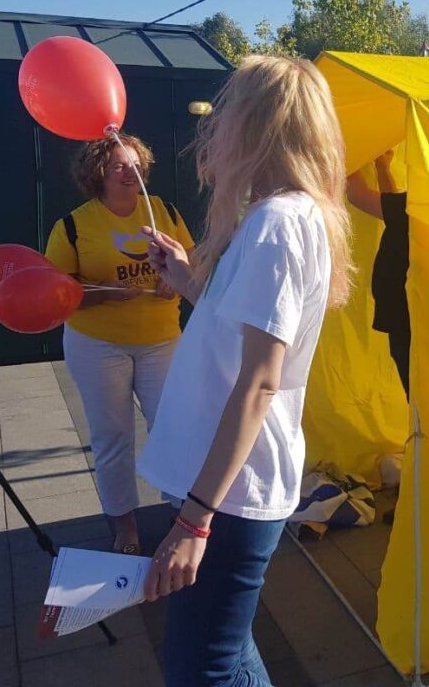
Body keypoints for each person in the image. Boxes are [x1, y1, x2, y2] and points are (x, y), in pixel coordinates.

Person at [136, 56, 353, 687]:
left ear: (257, 128)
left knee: (199, 667)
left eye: (230, 114)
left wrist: (193, 518)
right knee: (226, 654)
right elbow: (249, 335)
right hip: (233, 482)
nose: (218, 129)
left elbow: (260, 380)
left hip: (229, 490)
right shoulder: (292, 215)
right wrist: (187, 282)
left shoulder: (276, 224)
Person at [45, 134, 194, 555]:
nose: (131, 174)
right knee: (113, 437)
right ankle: (125, 526)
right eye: (119, 167)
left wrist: (175, 280)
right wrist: (104, 293)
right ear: (98, 174)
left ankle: (183, 514)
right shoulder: (73, 225)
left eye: (137, 165)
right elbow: (54, 290)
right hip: (98, 344)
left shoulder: (162, 210)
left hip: (162, 340)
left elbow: (192, 260)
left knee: (171, 429)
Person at [346, 151, 410, 397]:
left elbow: (357, 195)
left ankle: (426, 432)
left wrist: (349, 154)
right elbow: (392, 207)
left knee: (416, 388)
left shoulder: (414, 209)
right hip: (409, 313)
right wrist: (382, 167)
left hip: (407, 315)